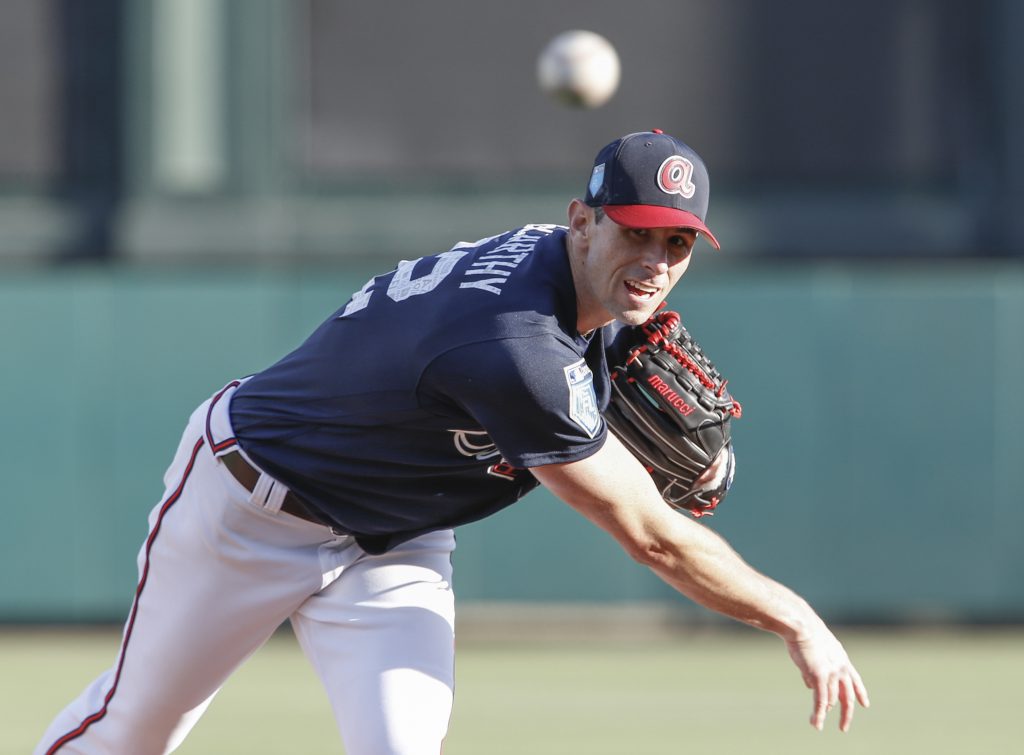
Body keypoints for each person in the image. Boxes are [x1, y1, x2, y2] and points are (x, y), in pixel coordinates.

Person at [37, 129, 869, 754]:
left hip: (393, 539)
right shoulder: (515, 346)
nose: (655, 260)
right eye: (636, 232)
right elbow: (652, 537)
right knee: (128, 734)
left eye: (677, 241)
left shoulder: (566, 286)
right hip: (250, 507)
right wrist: (795, 618)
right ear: (581, 220)